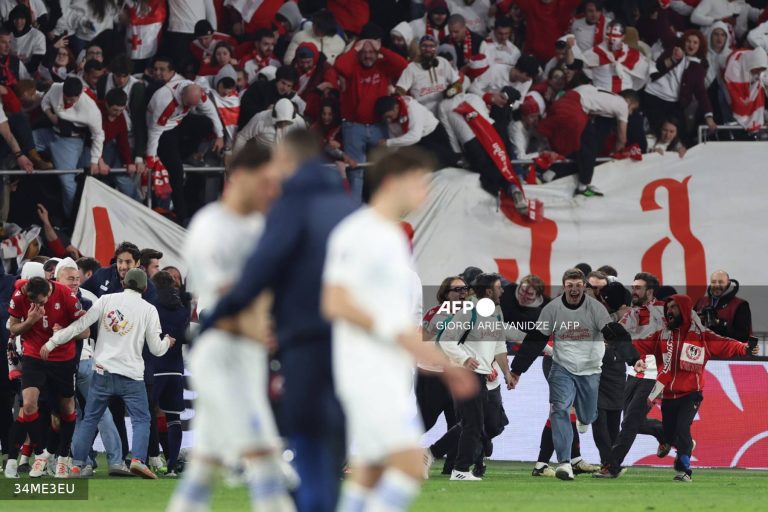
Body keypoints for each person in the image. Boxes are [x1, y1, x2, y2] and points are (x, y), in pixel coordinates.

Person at [201, 131, 358, 512]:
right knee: (333, 433)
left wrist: (215, 316)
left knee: (305, 432)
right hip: (349, 341)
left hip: (304, 339)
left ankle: (310, 504)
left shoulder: (293, 205)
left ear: (286, 159)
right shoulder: (350, 207)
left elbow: (262, 269)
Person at [323, 147, 476, 508]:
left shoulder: (393, 245)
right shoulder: (359, 234)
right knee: (400, 466)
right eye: (418, 184)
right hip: (364, 363)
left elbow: (407, 323)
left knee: (384, 471)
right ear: (393, 183)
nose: (423, 194)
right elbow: (336, 301)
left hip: (393, 367)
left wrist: (440, 362)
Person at [509, 268, 641, 481]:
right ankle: (564, 464)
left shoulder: (596, 308)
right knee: (560, 409)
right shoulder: (552, 309)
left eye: (578, 285)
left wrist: (633, 359)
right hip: (561, 365)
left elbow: (614, 333)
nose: (574, 289)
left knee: (587, 415)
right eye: (570, 285)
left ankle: (582, 418)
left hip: (590, 369)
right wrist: (516, 370)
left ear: (583, 287)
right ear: (564, 287)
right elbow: (536, 339)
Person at [41, 269, 174, 479]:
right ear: (145, 287)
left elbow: (80, 325)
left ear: (124, 283)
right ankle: (138, 461)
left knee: (90, 419)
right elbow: (157, 349)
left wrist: (52, 341)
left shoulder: (106, 300)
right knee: (141, 419)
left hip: (102, 372)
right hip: (132, 376)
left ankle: (77, 465)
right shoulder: (149, 309)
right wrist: (167, 341)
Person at [628, 294, 759, 482]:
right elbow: (640, 345)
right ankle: (680, 446)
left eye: (673, 307)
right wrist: (622, 345)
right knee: (670, 433)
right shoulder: (661, 335)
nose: (669, 311)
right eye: (668, 308)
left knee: (682, 430)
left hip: (691, 394)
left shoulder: (702, 336)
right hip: (667, 395)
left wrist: (745, 349)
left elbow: (727, 344)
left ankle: (685, 470)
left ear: (683, 310)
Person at [440, 273, 520, 481]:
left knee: (477, 424)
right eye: (499, 288)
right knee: (473, 424)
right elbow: (446, 340)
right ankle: (460, 469)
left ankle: (456, 465)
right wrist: (464, 359)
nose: (502, 291)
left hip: (482, 376)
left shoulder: (496, 313)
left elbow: (499, 345)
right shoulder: (468, 311)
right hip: (466, 374)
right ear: (489, 291)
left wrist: (507, 373)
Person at [6, 276, 88, 478]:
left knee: (66, 409)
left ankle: (63, 458)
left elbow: (85, 332)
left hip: (62, 359)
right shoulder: (20, 295)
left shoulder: (66, 296)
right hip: (34, 355)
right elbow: (13, 328)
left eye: (42, 302)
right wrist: (30, 320)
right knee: (28, 405)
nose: (38, 306)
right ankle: (41, 453)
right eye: (33, 302)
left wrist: (65, 333)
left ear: (49, 292)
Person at [595, 272, 666, 478]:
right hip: (635, 371)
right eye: (633, 287)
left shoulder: (664, 311)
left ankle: (611, 466)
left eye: (638, 288)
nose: (633, 291)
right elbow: (616, 333)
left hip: (657, 374)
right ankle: (671, 434)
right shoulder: (631, 314)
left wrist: (666, 376)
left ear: (650, 291)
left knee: (630, 422)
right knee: (634, 421)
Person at [334, 39, 408, 199]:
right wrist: (355, 49)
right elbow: (339, 66)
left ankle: (381, 207)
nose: (368, 56)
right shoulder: (352, 67)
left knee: (382, 168)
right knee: (355, 171)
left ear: (377, 53)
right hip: (354, 126)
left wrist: (382, 49)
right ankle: (355, 210)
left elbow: (403, 65)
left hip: (379, 126)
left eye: (371, 52)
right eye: (364, 52)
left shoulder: (383, 66)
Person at [145, 80, 224, 223]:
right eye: (188, 104)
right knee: (176, 172)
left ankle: (184, 155)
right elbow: (154, 131)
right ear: (182, 95)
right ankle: (181, 216)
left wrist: (220, 135)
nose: (191, 107)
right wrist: (151, 157)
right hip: (163, 130)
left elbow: (210, 111)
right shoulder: (165, 101)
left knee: (206, 123)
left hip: (178, 122)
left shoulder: (197, 93)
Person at [34, 77, 105, 219]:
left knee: (67, 182)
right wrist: (50, 115)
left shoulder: (91, 109)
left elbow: (98, 135)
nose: (68, 101)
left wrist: (94, 160)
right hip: (50, 131)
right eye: (66, 97)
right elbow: (45, 101)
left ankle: (73, 219)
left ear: (80, 94)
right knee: (23, 141)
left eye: (72, 99)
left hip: (70, 141)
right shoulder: (56, 88)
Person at [419, 276, 467, 476]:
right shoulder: (435, 313)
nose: (462, 293)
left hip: (455, 373)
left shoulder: (468, 314)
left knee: (457, 421)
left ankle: (452, 467)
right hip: (432, 373)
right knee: (426, 419)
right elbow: (422, 338)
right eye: (457, 290)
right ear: (446, 294)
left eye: (464, 289)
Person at [147, 270, 187, 477]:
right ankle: (172, 466)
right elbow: (186, 336)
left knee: (145, 415)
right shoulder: (181, 308)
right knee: (174, 418)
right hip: (176, 368)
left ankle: (146, 459)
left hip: (154, 367)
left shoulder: (151, 306)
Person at [375, 95, 455, 168]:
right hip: (417, 142)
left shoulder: (413, 109)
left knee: (443, 165)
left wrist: (388, 142)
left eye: (389, 116)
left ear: (396, 107)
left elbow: (414, 136)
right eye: (386, 118)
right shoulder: (391, 120)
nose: (388, 120)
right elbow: (396, 140)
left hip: (433, 136)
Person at [395, 35, 462, 114]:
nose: (428, 49)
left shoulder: (443, 62)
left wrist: (450, 92)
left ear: (436, 48)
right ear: (419, 48)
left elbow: (458, 84)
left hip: (444, 110)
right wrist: (411, 106)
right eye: (424, 46)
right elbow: (399, 91)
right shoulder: (411, 67)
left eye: (431, 46)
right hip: (423, 113)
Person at [694, 270, 752, 341]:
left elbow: (743, 336)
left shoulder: (741, 305)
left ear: (728, 283)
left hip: (728, 347)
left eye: (721, 282)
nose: (717, 285)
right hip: (702, 346)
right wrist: (699, 321)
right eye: (713, 282)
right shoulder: (701, 302)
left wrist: (720, 324)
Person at [234, 98, 307, 151]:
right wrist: (236, 159)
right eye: (280, 121)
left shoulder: (299, 122)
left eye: (287, 122)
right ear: (274, 116)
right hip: (262, 157)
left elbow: (303, 144)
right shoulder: (260, 118)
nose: (283, 124)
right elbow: (242, 137)